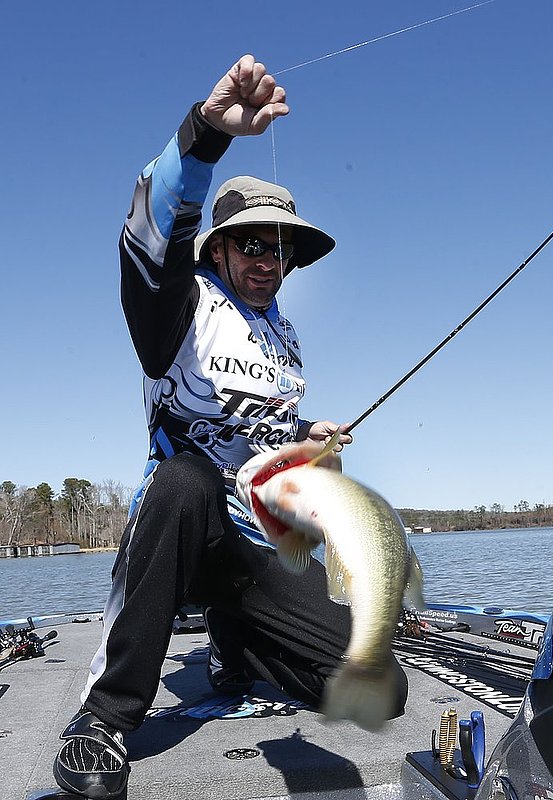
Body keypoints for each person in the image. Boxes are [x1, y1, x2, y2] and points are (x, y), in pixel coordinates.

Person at [53, 55, 408, 800]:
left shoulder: (285, 338)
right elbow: (146, 240)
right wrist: (207, 135)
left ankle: (234, 640)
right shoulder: (176, 306)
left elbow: (265, 435)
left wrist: (312, 437)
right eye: (251, 243)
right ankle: (108, 716)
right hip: (184, 523)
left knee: (382, 686)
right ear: (216, 248)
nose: (267, 259)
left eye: (280, 248)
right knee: (183, 480)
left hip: (254, 543)